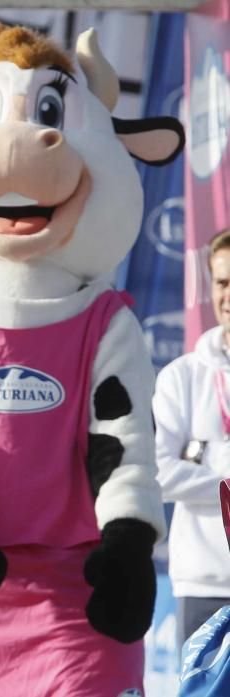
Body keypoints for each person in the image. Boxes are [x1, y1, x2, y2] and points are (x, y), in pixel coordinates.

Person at [154, 227, 230, 650]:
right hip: (204, 581)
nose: (228, 295)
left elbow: (180, 467)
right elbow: (162, 472)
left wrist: (203, 455)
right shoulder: (181, 376)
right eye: (222, 282)